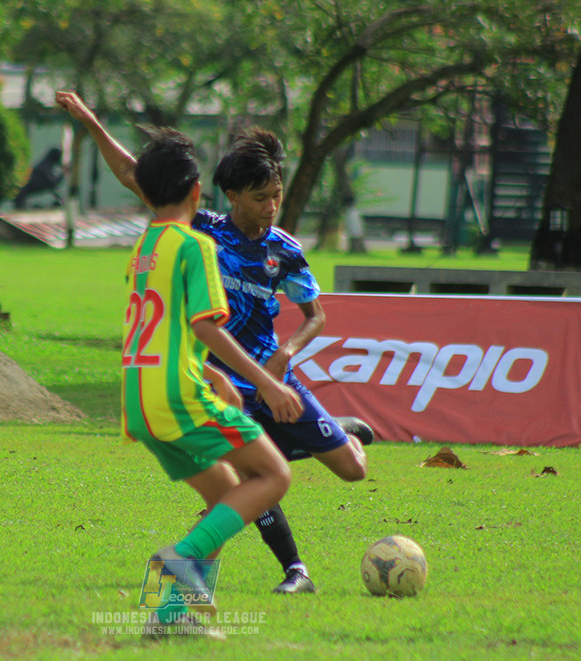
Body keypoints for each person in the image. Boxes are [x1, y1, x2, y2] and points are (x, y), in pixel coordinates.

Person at [56, 91, 372, 596]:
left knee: (345, 471)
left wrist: (283, 358)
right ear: (222, 195)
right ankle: (285, 572)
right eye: (260, 197)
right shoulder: (200, 235)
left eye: (277, 196)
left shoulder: (262, 248)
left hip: (242, 380)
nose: (271, 207)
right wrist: (93, 123)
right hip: (224, 382)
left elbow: (315, 315)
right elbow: (135, 174)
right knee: (258, 481)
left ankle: (177, 610)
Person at [110, 124, 304, 638]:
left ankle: (169, 618)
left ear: (147, 192)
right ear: (198, 194)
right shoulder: (194, 246)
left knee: (225, 494)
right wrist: (266, 382)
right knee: (275, 476)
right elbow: (201, 326)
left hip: (138, 398)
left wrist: (211, 373)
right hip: (175, 395)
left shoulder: (144, 248)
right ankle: (182, 556)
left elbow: (163, 329)